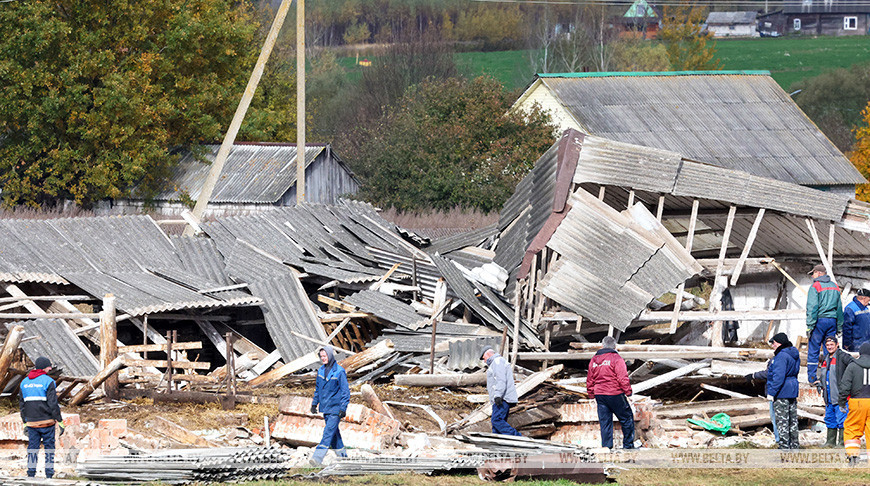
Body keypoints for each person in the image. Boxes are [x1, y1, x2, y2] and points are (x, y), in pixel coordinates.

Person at [19, 356, 64, 479]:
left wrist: (24, 422)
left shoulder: (24, 382)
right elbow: (53, 404)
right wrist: (59, 421)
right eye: (49, 366)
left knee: (32, 448)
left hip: (32, 423)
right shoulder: (48, 381)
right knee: (49, 448)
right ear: (45, 367)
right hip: (47, 422)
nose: (50, 369)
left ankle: (31, 474)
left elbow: (22, 405)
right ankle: (49, 475)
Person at [587, 336, 635, 449]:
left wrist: (591, 394)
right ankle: (628, 446)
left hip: (600, 395)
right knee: (627, 418)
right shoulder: (616, 358)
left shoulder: (594, 359)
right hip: (614, 394)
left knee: (605, 423)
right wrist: (628, 393)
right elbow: (622, 378)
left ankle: (606, 448)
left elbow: (590, 378)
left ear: (602, 345)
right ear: (615, 346)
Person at [310, 346, 349, 465]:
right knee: (334, 434)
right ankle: (343, 458)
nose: (323, 358)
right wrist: (314, 404)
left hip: (336, 409)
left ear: (330, 355)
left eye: (325, 356)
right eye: (321, 356)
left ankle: (317, 458)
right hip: (325, 408)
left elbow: (345, 391)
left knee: (327, 432)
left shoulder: (339, 371)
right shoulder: (321, 370)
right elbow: (318, 389)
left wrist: (343, 408)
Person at [806, 264, 843, 385]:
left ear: (819, 273)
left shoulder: (815, 286)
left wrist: (810, 326)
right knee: (830, 349)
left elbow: (812, 307)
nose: (812, 276)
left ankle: (812, 378)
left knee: (813, 349)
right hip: (832, 321)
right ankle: (828, 376)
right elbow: (839, 309)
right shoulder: (835, 287)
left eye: (813, 273)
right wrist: (839, 326)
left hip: (819, 321)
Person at [818, 336, 854, 447]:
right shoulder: (826, 358)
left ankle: (842, 442)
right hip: (828, 396)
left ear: (837, 345)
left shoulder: (843, 356)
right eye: (827, 345)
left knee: (842, 419)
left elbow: (854, 366)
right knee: (830, 418)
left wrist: (848, 384)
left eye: (831, 345)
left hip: (840, 397)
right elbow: (823, 374)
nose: (829, 347)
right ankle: (830, 442)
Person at [766, 333, 800, 449]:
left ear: (779, 343)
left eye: (774, 343)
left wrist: (772, 393)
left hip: (782, 391)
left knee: (782, 421)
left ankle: (784, 447)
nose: (772, 345)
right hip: (792, 389)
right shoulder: (794, 354)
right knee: (793, 421)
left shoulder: (781, 356)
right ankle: (794, 445)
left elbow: (778, 377)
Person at [838, 341, 870, 464]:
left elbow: (845, 386)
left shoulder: (853, 366)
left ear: (860, 353)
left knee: (852, 429)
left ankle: (853, 457)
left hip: (857, 402)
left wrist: (841, 402)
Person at [481, 345, 521, 436]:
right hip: (501, 398)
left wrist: (498, 395)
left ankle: (517, 437)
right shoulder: (497, 362)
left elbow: (501, 380)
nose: (484, 361)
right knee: (497, 425)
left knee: (496, 420)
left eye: (484, 358)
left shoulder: (497, 362)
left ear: (488, 354)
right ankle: (497, 444)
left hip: (502, 398)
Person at [844, 288, 870, 352]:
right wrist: (847, 343)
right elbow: (847, 328)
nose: (869, 302)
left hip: (866, 341)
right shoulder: (850, 308)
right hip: (856, 344)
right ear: (864, 298)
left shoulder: (865, 307)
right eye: (868, 300)